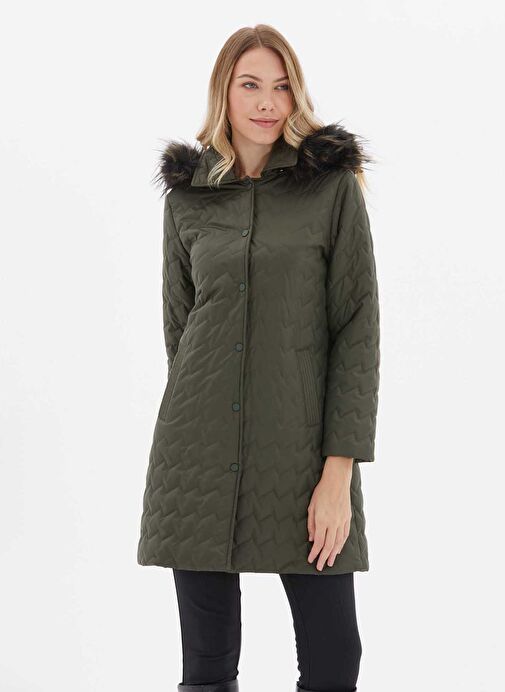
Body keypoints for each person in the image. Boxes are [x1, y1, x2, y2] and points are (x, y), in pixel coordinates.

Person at [137, 23, 381, 692]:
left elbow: (356, 328)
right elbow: (180, 329)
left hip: (301, 452)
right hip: (197, 456)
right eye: (250, 85)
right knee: (207, 665)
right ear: (224, 92)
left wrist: (338, 472)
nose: (267, 102)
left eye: (281, 86)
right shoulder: (187, 198)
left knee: (334, 658)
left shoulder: (329, 189)